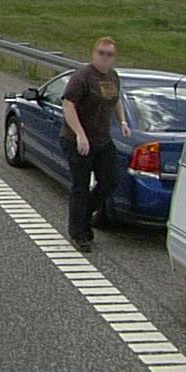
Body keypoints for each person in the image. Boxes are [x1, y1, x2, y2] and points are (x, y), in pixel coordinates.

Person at [60, 36, 126, 251]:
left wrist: (123, 122)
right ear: (93, 53)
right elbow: (68, 104)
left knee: (110, 181)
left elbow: (117, 100)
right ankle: (79, 234)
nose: (105, 58)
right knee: (80, 187)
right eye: (101, 53)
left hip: (102, 140)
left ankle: (85, 215)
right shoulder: (82, 77)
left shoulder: (113, 77)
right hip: (77, 140)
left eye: (109, 55)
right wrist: (80, 134)